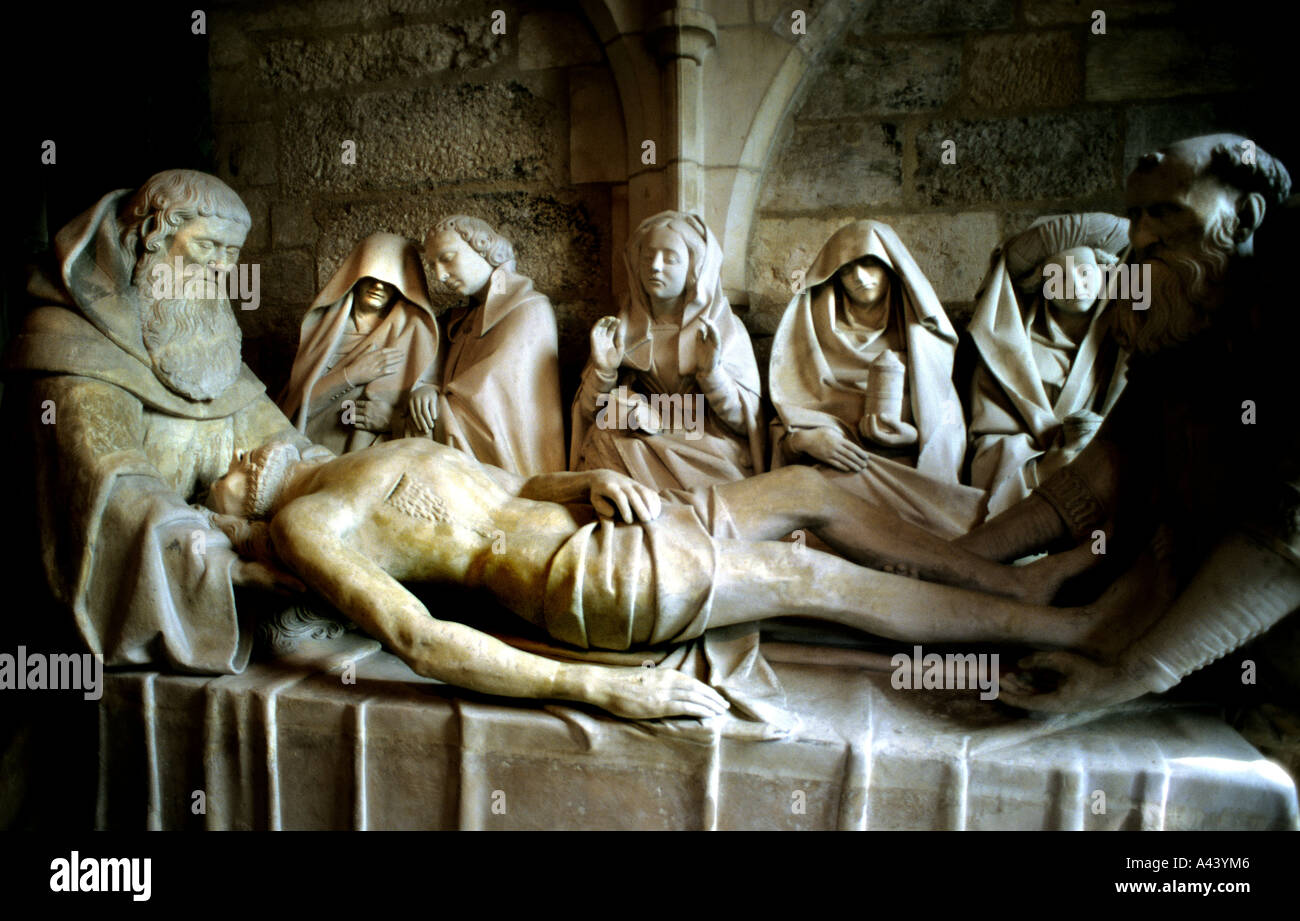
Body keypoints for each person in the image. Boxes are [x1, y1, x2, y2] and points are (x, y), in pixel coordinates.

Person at [206, 438, 1105, 720]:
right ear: (247, 501)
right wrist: (600, 688)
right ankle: (1061, 629)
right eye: (227, 474)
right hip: (585, 576)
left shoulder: (365, 452)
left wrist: (587, 479)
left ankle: (1003, 578)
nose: (241, 457)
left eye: (238, 452)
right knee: (811, 575)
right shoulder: (305, 523)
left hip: (613, 518)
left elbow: (518, 484)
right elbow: (419, 637)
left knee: (808, 488)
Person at [952, 134, 1300, 712]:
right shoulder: (1178, 311)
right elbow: (1105, 465)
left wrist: (1127, 675)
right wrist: (963, 560)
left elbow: (1283, 533)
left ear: (1244, 215)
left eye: (1165, 212)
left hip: (1243, 638)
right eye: (1135, 214)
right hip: (1150, 588)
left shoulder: (1283, 306)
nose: (1138, 238)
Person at [4, 169, 322, 672]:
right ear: (150, 238)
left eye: (232, 253)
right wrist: (220, 567)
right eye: (207, 247)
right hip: (159, 580)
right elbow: (114, 485)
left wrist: (342, 485)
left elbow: (282, 441)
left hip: (232, 547)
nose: (222, 268)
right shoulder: (70, 337)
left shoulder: (203, 337)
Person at [769, 220, 980, 537]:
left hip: (909, 477)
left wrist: (914, 438)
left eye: (869, 263)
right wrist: (803, 441)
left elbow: (948, 423)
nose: (859, 276)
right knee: (809, 500)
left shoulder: (920, 343)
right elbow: (782, 420)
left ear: (890, 269)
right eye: (846, 269)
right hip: (831, 473)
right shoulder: (812, 343)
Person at [571, 211, 764, 494]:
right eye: (647, 257)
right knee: (602, 439)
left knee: (724, 480)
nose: (655, 267)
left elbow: (746, 422)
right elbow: (589, 413)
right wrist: (604, 371)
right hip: (639, 438)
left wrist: (712, 374)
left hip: (701, 443)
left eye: (670, 259)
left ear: (695, 268)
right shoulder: (621, 328)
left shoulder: (724, 329)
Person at [967, 213, 1131, 517]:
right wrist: (1040, 469)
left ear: (1103, 272)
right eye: (1060, 277)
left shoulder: (1125, 342)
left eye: (1085, 272)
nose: (1075, 285)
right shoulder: (1006, 351)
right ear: (1041, 284)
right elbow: (990, 438)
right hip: (1034, 495)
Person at [424, 216, 565, 475]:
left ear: (483, 248)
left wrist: (423, 412)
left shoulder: (528, 308)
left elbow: (487, 399)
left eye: (447, 258)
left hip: (512, 474)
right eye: (433, 265)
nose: (440, 275)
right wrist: (425, 390)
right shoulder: (463, 320)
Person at [279, 232, 440, 454]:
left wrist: (399, 416)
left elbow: (429, 418)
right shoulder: (324, 331)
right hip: (313, 451)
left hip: (373, 458)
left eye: (389, 282)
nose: (378, 287)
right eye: (370, 276)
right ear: (355, 277)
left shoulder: (416, 334)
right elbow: (296, 410)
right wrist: (350, 376)